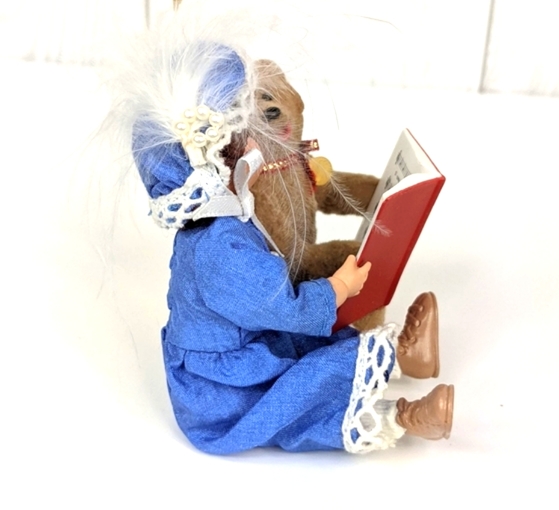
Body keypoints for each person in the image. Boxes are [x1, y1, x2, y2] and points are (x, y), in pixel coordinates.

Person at [123, 37, 453, 455]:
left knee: (307, 344)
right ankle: (403, 416)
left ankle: (401, 356)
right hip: (223, 388)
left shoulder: (230, 218)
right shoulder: (217, 248)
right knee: (302, 392)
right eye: (248, 138)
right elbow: (278, 302)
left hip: (245, 337)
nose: (262, 145)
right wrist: (337, 288)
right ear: (219, 168)